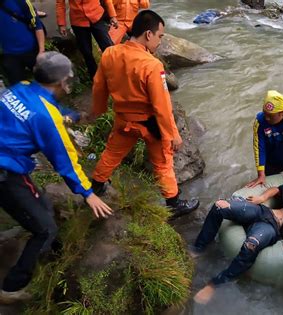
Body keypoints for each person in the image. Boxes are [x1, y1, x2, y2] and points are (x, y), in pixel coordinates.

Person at [0, 52, 113, 304]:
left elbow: (46, 109)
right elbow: (65, 161)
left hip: (7, 162)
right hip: (6, 173)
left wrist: (74, 116)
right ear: (61, 83)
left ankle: (52, 248)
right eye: (68, 81)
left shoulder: (22, 87)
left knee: (44, 207)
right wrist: (88, 193)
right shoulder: (46, 118)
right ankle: (10, 288)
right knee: (45, 228)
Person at [90, 10, 199, 217]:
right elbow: (162, 105)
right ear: (148, 34)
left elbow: (98, 87)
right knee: (163, 162)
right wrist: (172, 134)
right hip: (149, 124)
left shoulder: (110, 54)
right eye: (160, 36)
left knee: (112, 153)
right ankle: (173, 203)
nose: (159, 42)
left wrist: (98, 110)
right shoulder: (151, 64)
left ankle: (97, 184)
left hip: (123, 120)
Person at [190, 175, 283, 304]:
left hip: (271, 227)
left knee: (251, 244)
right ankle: (199, 247)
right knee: (219, 206)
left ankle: (214, 284)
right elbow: (279, 189)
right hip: (263, 211)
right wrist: (262, 197)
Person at [56, 0, 118, 79]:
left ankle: (116, 72)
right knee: (87, 52)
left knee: (108, 47)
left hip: (96, 17)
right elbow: (60, 4)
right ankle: (95, 79)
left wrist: (112, 15)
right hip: (78, 21)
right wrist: (61, 24)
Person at [0, 0, 45, 85]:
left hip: (31, 49)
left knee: (45, 81)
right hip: (9, 54)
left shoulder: (20, 1)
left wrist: (41, 51)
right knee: (17, 87)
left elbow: (37, 25)